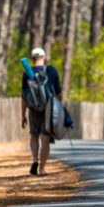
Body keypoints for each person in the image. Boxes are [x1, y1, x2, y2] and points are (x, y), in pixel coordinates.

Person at [21, 47, 62, 176]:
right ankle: (42, 169)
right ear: (44, 57)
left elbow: (23, 96)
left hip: (33, 109)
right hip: (48, 109)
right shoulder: (52, 71)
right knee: (45, 138)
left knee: (34, 135)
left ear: (32, 59)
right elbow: (59, 94)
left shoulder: (27, 73)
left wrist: (23, 115)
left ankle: (34, 160)